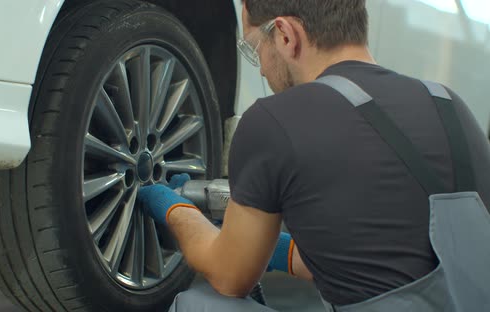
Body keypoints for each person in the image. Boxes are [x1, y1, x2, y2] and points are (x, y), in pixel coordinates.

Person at [138, 0, 490, 311]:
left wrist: (173, 208)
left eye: (254, 48)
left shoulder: (275, 119)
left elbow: (231, 278)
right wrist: (279, 250)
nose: (260, 68)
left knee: (199, 304)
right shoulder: (449, 105)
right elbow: (392, 255)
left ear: (286, 35)